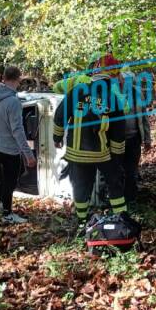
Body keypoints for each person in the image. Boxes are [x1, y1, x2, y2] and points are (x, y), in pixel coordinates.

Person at [53, 71, 127, 229]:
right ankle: (121, 218)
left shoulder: (76, 92)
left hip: (77, 153)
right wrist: (117, 156)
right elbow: (118, 131)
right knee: (114, 183)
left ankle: (82, 222)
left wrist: (56, 138)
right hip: (102, 153)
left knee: (81, 186)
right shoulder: (113, 99)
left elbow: (60, 115)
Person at [0, 65, 35, 225]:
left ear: (3, 78)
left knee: (9, 176)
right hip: (10, 150)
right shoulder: (13, 102)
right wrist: (28, 154)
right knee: (10, 181)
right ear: (18, 79)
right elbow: (18, 131)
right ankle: (7, 213)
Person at [118, 69, 152, 207]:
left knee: (131, 170)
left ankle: (131, 199)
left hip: (134, 138)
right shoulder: (113, 93)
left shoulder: (138, 93)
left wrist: (147, 139)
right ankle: (118, 199)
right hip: (117, 140)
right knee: (118, 170)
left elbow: (144, 118)